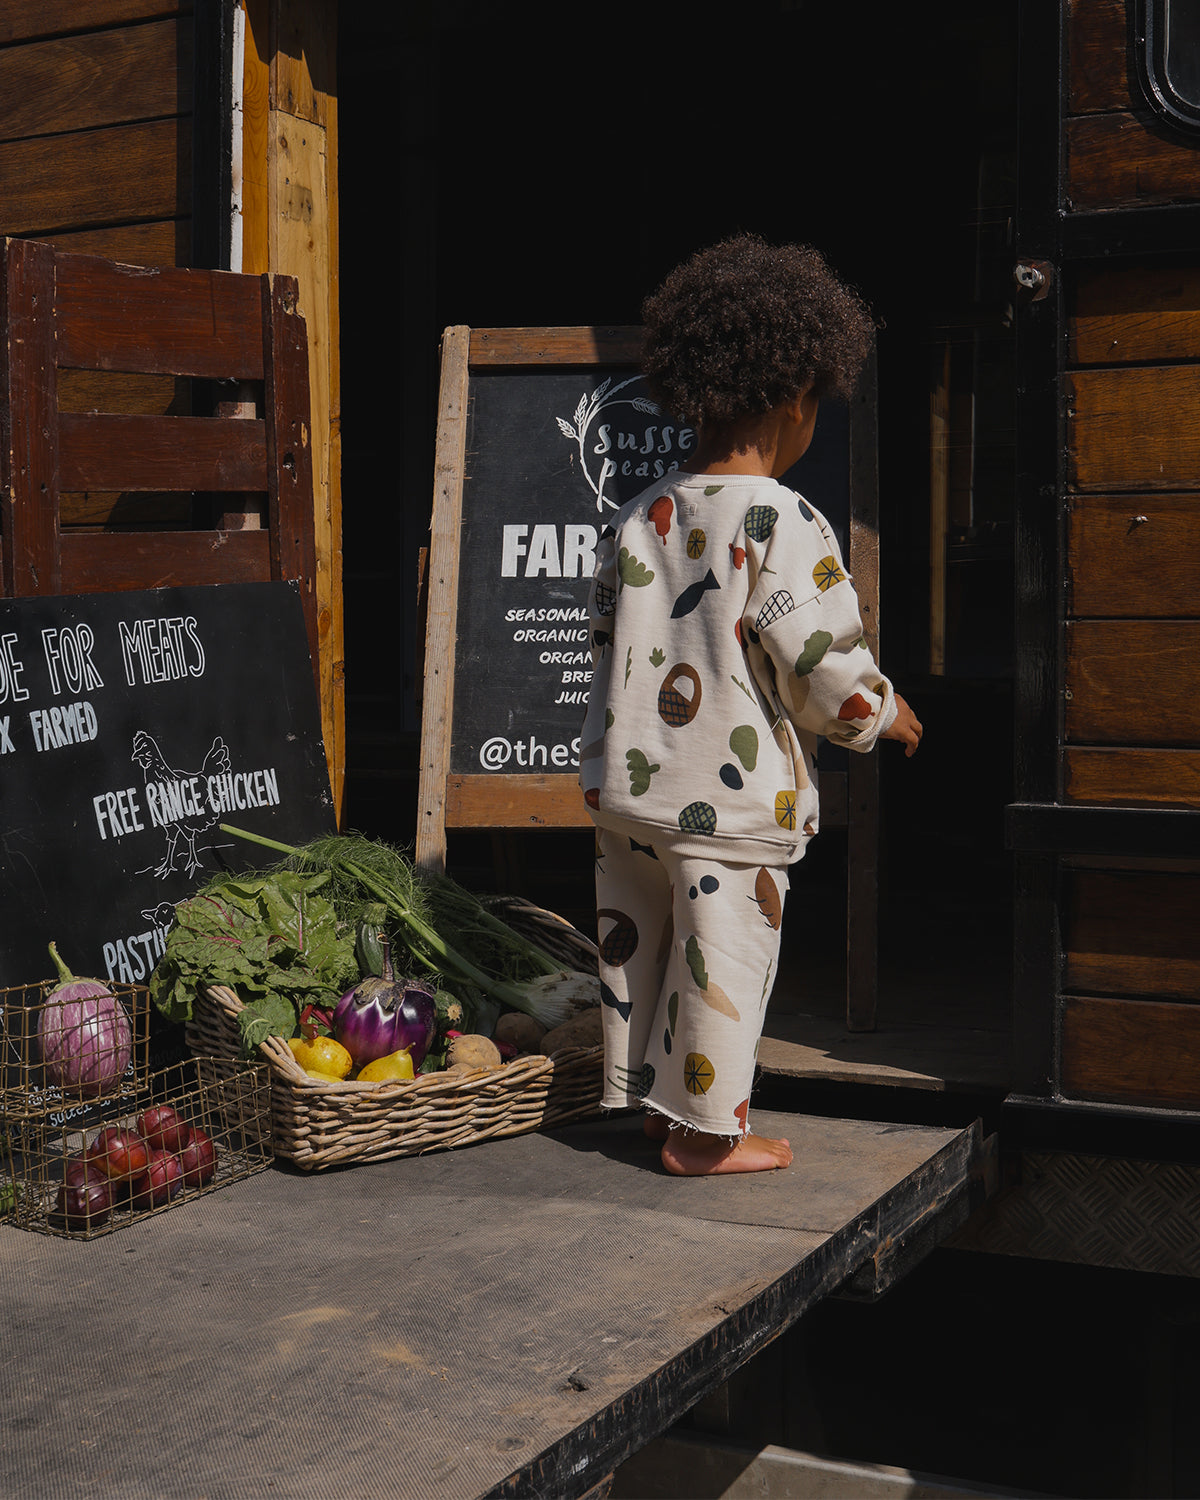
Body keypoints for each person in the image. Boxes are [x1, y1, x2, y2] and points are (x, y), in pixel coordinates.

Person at [578, 233, 922, 1176]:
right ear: (797, 401)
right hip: (726, 803)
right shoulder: (781, 517)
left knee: (644, 956)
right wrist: (879, 713)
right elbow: (817, 658)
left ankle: (655, 1106)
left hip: (630, 789)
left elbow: (611, 645)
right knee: (722, 964)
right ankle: (701, 1136)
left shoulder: (640, 514)